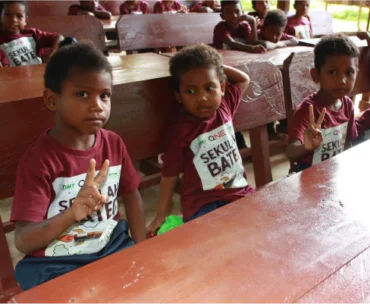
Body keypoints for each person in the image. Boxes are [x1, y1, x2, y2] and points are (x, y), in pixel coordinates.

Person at [11, 42, 146, 291]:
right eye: (82, 94)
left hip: (109, 244)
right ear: (52, 100)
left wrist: (141, 247)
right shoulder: (40, 159)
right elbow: (23, 241)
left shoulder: (113, 142)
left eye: (104, 95)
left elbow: (132, 193)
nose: (97, 105)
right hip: (59, 260)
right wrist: (72, 213)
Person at [146, 44, 254, 235]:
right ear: (179, 96)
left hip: (239, 192)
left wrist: (215, 68)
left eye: (209, 88)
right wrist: (161, 214)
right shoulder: (179, 131)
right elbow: (169, 174)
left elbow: (244, 79)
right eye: (191, 91)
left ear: (222, 88)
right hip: (203, 204)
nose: (202, 98)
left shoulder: (225, 107)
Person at [286, 33, 359, 171]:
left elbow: (349, 142)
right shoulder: (308, 110)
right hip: (308, 175)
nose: (342, 81)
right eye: (332, 72)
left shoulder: (348, 104)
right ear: (316, 75)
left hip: (334, 172)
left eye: (349, 72)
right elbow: (291, 152)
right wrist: (307, 147)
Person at [0, 0, 63, 67]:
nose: (14, 20)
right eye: (7, 14)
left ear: (25, 21)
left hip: (38, 75)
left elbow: (59, 37)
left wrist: (52, 55)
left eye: (19, 16)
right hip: (14, 77)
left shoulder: (33, 34)